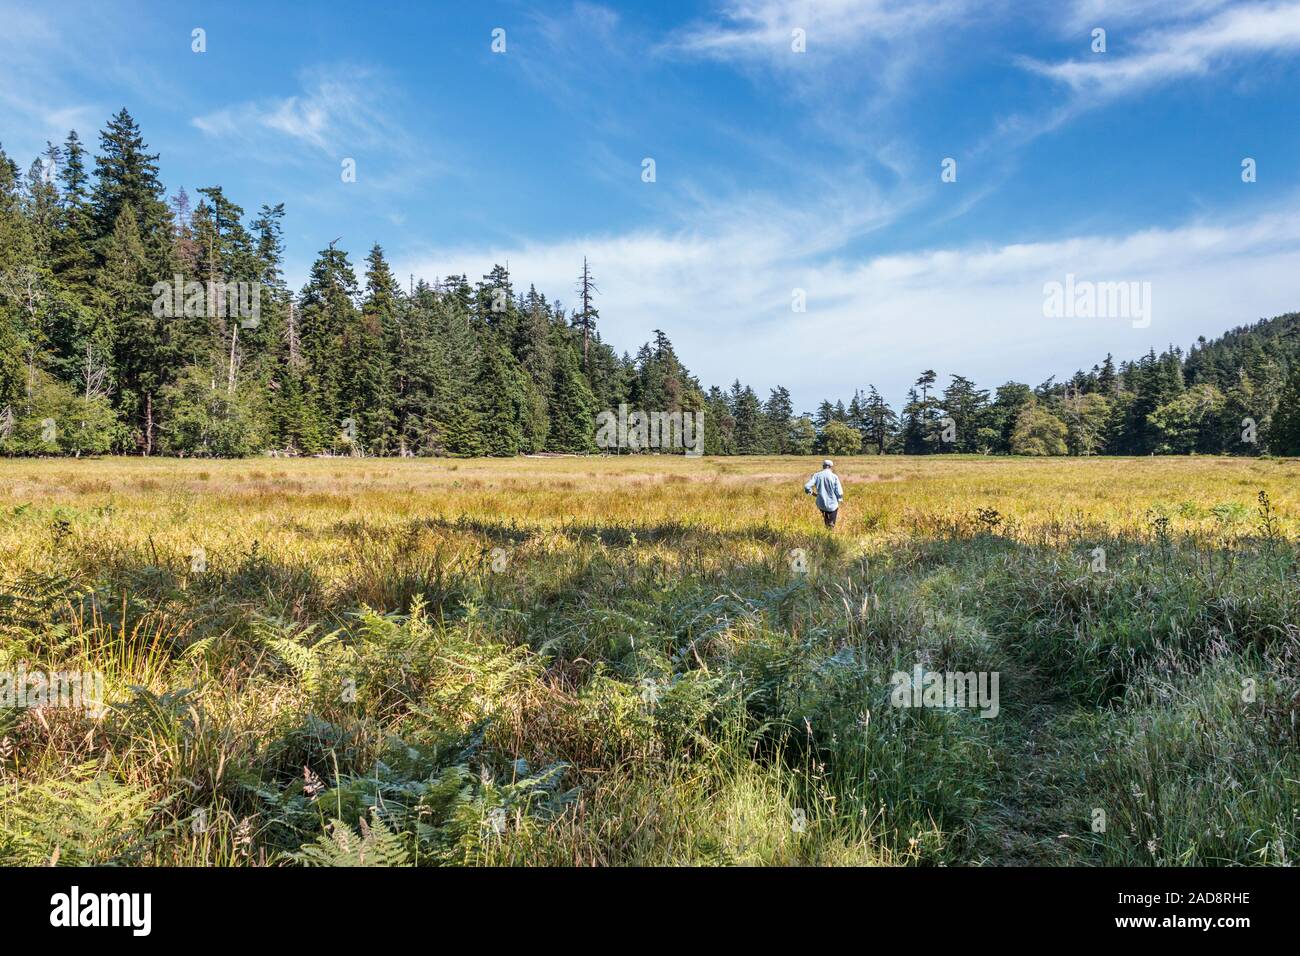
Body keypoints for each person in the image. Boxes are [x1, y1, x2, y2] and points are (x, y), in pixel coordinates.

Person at [804, 459, 844, 529]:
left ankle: (826, 531)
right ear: (831, 467)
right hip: (832, 504)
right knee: (831, 524)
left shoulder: (816, 475)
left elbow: (807, 486)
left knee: (826, 520)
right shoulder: (834, 476)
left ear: (823, 466)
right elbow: (839, 492)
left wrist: (812, 493)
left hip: (821, 503)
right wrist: (839, 499)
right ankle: (829, 534)